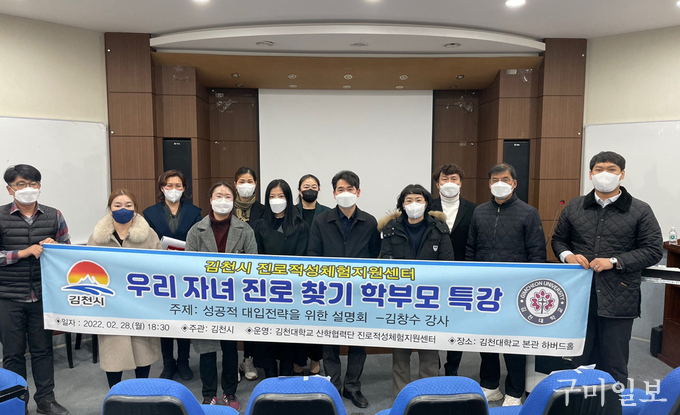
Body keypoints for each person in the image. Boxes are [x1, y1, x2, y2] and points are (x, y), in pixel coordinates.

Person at [551, 151, 662, 386]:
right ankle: (579, 403)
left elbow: (652, 250)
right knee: (578, 360)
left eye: (611, 169)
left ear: (622, 174)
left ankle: (613, 403)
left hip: (619, 296)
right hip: (579, 297)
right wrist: (568, 256)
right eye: (599, 169)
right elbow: (559, 240)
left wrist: (614, 261)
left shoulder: (640, 210)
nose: (605, 174)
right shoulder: (575, 206)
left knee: (614, 363)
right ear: (590, 174)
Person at [466, 163, 546, 406]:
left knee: (514, 343)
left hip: (516, 290)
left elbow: (537, 253)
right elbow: (471, 248)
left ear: (514, 183)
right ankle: (490, 385)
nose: (499, 183)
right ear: (489, 184)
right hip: (485, 289)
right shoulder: (479, 212)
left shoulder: (528, 212)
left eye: (505, 179)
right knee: (486, 340)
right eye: (494, 180)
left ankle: (514, 391)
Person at [0, 164, 70, 415]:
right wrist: (22, 253)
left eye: (33, 184)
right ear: (10, 189)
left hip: (42, 294)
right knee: (13, 354)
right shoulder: (0, 216)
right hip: (8, 295)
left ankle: (46, 400)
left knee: (43, 350)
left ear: (39, 186)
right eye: (21, 184)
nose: (28, 189)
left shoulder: (54, 215)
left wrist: (56, 246)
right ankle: (16, 402)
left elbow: (68, 250)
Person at [307, 170, 381, 408]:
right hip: (330, 291)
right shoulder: (322, 220)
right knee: (330, 342)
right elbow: (313, 254)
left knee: (358, 342)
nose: (345, 193)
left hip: (359, 293)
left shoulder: (369, 222)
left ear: (358, 192)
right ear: (333, 193)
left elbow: (374, 254)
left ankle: (353, 387)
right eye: (341, 189)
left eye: (350, 189)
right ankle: (334, 385)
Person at [185, 181, 257, 410]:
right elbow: (188, 267)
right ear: (210, 200)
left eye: (227, 196)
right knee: (206, 348)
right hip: (205, 297)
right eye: (218, 195)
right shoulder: (196, 231)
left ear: (233, 201)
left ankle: (229, 392)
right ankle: (209, 394)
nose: (223, 200)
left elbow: (253, 265)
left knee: (230, 348)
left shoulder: (245, 230)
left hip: (233, 298)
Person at [378, 184, 453, 396]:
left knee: (429, 351)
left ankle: (428, 396)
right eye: (409, 200)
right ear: (402, 205)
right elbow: (386, 264)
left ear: (427, 203)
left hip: (430, 299)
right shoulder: (391, 229)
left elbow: (448, 264)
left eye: (418, 200)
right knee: (400, 352)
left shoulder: (439, 229)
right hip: (400, 298)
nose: (414, 204)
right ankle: (402, 397)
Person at [87, 189, 162, 388]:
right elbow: (88, 266)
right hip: (110, 303)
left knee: (143, 349)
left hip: (141, 300)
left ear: (135, 208)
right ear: (109, 209)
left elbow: (160, 265)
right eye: (118, 205)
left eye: (128, 205)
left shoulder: (148, 234)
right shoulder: (97, 237)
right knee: (113, 352)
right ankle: (115, 392)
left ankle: (142, 390)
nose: (123, 209)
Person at [142, 170, 202, 381]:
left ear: (184, 188)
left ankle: (184, 361)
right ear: (162, 188)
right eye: (169, 185)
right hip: (161, 274)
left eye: (178, 185)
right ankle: (168, 362)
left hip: (186, 273)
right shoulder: (149, 213)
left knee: (183, 315)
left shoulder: (194, 212)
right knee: (165, 318)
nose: (173, 189)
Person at [251, 179, 309, 377]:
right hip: (265, 291)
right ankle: (269, 373)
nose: (276, 200)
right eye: (272, 196)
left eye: (281, 196)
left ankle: (286, 372)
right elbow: (255, 256)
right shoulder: (259, 226)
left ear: (289, 198)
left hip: (290, 291)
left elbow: (302, 258)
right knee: (267, 337)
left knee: (287, 338)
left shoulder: (300, 226)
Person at [429, 163, 477, 377]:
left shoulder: (474, 209)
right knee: (433, 321)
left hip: (462, 274)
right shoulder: (426, 207)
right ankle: (433, 366)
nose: (450, 183)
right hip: (433, 275)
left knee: (457, 323)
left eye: (454, 179)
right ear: (437, 184)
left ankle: (452, 369)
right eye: (445, 179)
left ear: (461, 183)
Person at [294, 173, 330, 374]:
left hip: (320, 273)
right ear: (299, 190)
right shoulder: (290, 212)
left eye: (314, 186)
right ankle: (298, 360)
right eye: (306, 186)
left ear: (319, 190)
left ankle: (316, 358)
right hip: (296, 273)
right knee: (297, 317)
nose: (310, 189)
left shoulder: (328, 213)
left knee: (316, 316)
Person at [232, 166, 263, 380]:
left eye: (250, 181)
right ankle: (231, 362)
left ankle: (248, 359)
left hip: (254, 272)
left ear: (256, 184)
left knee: (250, 316)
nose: (246, 185)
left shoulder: (263, 210)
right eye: (242, 181)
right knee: (231, 317)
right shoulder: (226, 206)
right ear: (235, 184)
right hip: (229, 274)